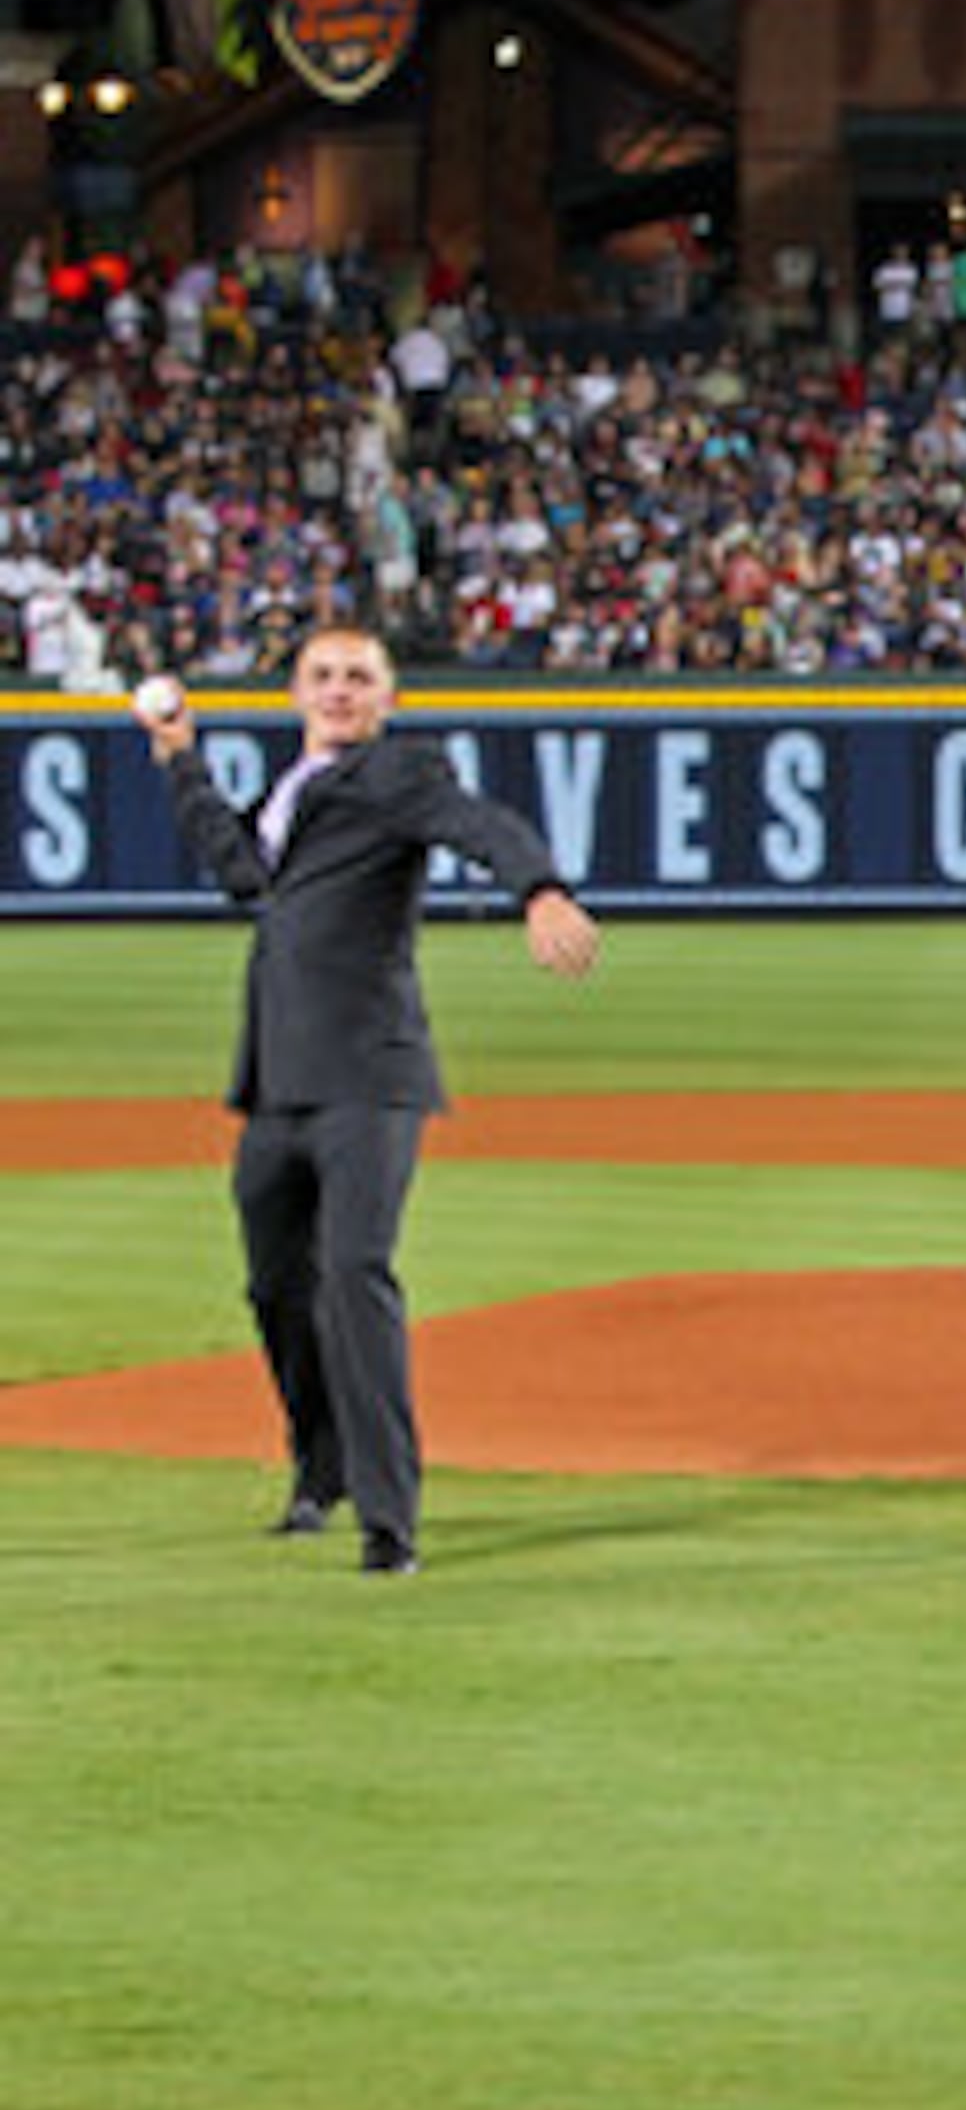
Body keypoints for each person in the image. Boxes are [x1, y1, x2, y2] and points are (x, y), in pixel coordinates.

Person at [136, 630, 602, 1575]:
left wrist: (540, 887)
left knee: (354, 1273)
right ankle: (323, 1467)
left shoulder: (399, 773)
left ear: (386, 698)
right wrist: (181, 763)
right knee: (275, 1286)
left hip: (367, 1076)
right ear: (295, 693)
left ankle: (390, 1519)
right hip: (275, 1081)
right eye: (323, 677)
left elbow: (480, 823)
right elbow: (241, 873)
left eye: (359, 678)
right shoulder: (291, 792)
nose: (339, 691)